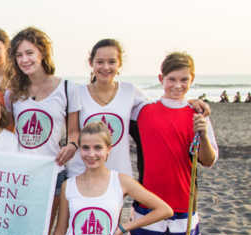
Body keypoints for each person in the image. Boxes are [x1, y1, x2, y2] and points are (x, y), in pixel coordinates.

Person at [130, 52, 218, 235]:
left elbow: (208, 159)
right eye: (171, 79)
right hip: (148, 201)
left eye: (184, 80)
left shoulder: (198, 115)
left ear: (191, 81)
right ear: (161, 79)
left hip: (183, 202)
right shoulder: (143, 111)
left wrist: (202, 132)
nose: (177, 85)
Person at [66, 39, 210, 179]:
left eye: (112, 62)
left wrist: (190, 102)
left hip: (118, 174)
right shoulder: (77, 93)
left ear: (119, 64)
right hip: (81, 171)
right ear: (91, 63)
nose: (106, 67)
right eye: (100, 62)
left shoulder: (130, 91)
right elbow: (69, 128)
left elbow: (161, 106)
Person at [5, 27, 81, 230]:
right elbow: (10, 133)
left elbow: (74, 131)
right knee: (19, 232)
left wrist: (73, 145)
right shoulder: (12, 93)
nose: (24, 60)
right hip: (21, 175)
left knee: (43, 234)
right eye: (19, 55)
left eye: (30, 53)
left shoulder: (67, 88)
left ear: (42, 53)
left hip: (53, 172)